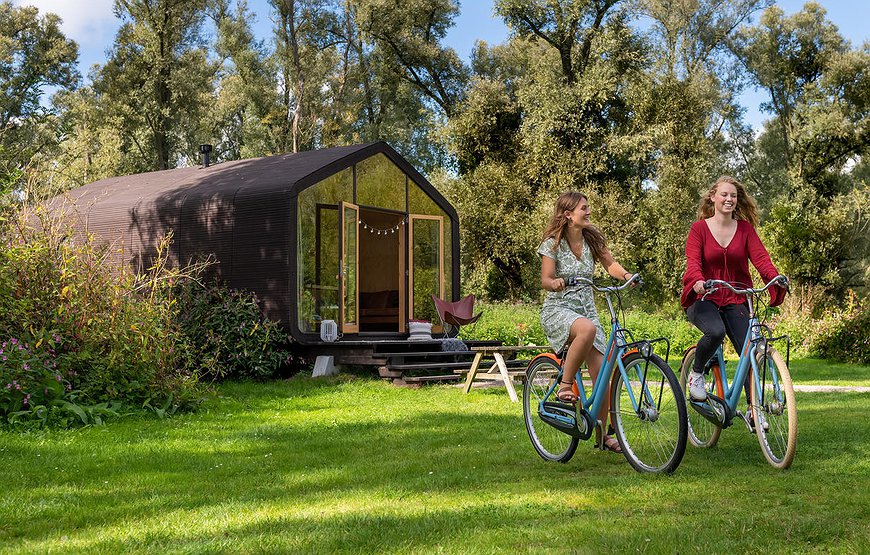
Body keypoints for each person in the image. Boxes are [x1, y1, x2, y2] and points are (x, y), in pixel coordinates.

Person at [680, 176, 786, 424]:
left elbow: (762, 260)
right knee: (715, 332)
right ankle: (696, 374)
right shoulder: (699, 229)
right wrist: (698, 281)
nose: (729, 199)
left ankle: (753, 409)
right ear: (713, 197)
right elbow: (693, 262)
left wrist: (775, 278)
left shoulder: (746, 230)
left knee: (750, 349)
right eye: (724, 195)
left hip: (737, 297)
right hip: (704, 296)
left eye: (733, 196)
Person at [538, 191, 634, 453]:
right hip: (559, 309)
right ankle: (566, 384)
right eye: (584, 208)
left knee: (602, 373)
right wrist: (555, 282)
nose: (589, 211)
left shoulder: (592, 238)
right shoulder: (552, 244)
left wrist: (626, 275)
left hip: (587, 310)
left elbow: (609, 264)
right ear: (568, 214)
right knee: (587, 329)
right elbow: (545, 279)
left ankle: (602, 435)